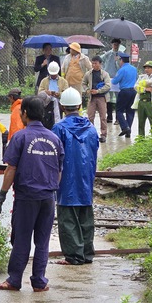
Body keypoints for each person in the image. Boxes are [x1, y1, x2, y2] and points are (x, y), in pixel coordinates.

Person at [0, 96, 64, 292]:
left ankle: (14, 280)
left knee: (21, 239)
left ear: (24, 113)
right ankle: (39, 282)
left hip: (27, 197)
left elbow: (11, 169)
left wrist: (2, 196)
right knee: (42, 241)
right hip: (48, 198)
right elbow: (58, 171)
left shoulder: (20, 137)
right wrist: (50, 190)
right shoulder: (54, 139)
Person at [51, 88, 99, 265]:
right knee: (86, 216)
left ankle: (74, 256)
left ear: (63, 107)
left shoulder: (59, 128)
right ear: (79, 105)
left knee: (68, 219)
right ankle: (86, 254)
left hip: (66, 180)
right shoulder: (91, 129)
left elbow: (54, 156)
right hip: (86, 178)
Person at [82, 56, 111, 142]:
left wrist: (98, 91)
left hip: (102, 97)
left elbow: (108, 85)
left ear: (100, 64)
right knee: (90, 117)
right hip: (92, 98)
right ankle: (91, 134)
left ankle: (103, 135)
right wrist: (87, 90)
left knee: (103, 117)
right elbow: (83, 83)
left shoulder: (105, 74)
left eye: (96, 63)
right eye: (93, 63)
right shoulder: (88, 74)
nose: (94, 65)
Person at [110, 53, 137, 138]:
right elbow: (136, 78)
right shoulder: (134, 69)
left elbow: (114, 81)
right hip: (133, 91)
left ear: (121, 60)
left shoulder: (122, 70)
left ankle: (125, 127)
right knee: (130, 111)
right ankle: (128, 131)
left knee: (119, 110)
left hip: (124, 91)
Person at [133, 61, 152, 137]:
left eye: (148, 68)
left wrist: (141, 85)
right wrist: (145, 89)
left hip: (150, 103)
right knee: (141, 122)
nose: (146, 69)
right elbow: (135, 87)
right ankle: (141, 140)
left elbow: (149, 82)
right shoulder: (142, 76)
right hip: (141, 102)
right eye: (145, 68)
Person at [100, 38, 123, 123]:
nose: (115, 46)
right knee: (108, 98)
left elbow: (120, 67)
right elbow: (100, 60)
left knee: (118, 99)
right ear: (112, 45)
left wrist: (117, 61)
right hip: (108, 78)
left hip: (117, 79)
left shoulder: (120, 55)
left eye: (117, 45)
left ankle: (118, 118)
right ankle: (109, 117)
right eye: (114, 44)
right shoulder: (108, 54)